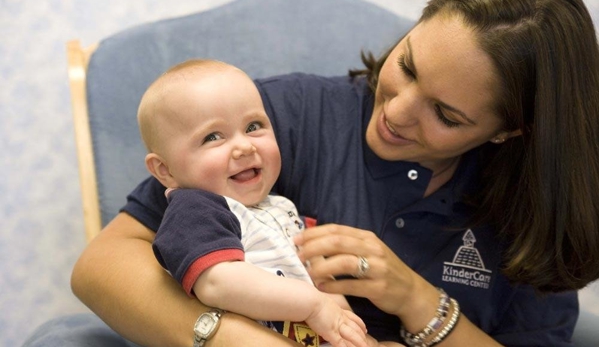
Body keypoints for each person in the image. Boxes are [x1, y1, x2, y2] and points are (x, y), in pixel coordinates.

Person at [67, 0, 599, 346]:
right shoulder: (278, 122)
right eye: (407, 65)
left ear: (511, 131)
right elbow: (103, 265)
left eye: (446, 115)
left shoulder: (536, 210)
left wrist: (415, 299)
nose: (394, 111)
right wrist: (237, 337)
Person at [135, 58, 381, 347]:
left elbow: (317, 281)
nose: (244, 146)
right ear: (165, 171)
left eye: (253, 126)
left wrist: (352, 331)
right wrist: (314, 306)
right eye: (213, 137)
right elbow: (217, 282)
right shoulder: (194, 210)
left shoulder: (280, 207)